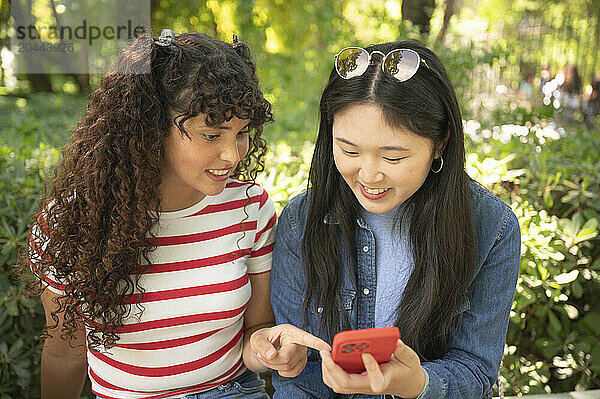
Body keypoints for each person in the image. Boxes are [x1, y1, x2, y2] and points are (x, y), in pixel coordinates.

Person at [21, 30, 329, 399]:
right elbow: (63, 352)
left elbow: (257, 330)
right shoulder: (72, 222)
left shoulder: (249, 207)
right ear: (151, 129)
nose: (233, 155)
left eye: (242, 133)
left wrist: (271, 349)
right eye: (212, 136)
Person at [270, 41, 521, 398]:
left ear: (440, 143)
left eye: (393, 157)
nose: (368, 175)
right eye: (349, 150)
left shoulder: (491, 228)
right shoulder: (302, 220)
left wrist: (417, 384)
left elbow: (475, 369)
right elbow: (299, 376)